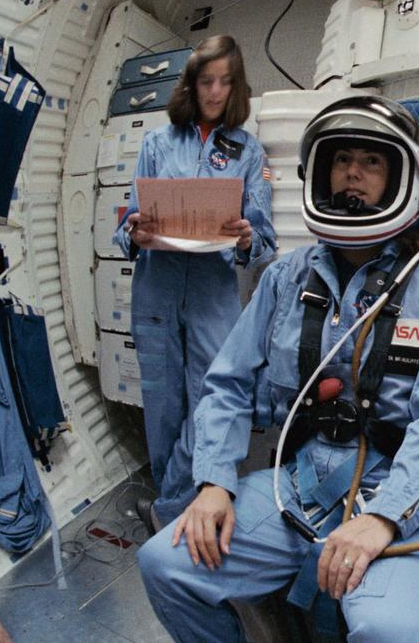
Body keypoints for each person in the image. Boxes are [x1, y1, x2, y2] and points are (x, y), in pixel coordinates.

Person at [137, 96, 419, 642]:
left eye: (371, 162)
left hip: (402, 496)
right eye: (342, 159)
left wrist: (385, 517)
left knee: (387, 629)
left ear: (405, 179)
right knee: (165, 564)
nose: (352, 173)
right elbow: (227, 385)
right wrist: (214, 481)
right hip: (297, 489)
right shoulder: (284, 278)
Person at [113, 35, 276, 527]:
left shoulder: (249, 152)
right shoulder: (157, 143)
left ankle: (170, 508)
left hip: (212, 293)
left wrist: (246, 238)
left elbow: (264, 242)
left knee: (213, 399)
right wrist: (134, 231)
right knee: (162, 405)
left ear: (237, 87)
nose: (215, 92)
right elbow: (125, 227)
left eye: (225, 82)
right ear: (191, 84)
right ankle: (177, 509)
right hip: (156, 289)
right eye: (207, 81)